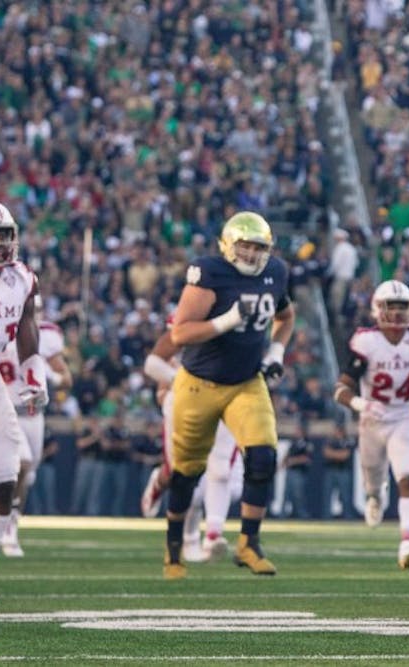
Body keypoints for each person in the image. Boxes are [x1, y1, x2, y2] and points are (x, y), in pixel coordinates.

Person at [162, 211, 295, 580]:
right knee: (187, 471)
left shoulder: (276, 273)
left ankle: (248, 544)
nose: (252, 254)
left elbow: (286, 317)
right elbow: (180, 335)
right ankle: (174, 549)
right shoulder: (209, 273)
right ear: (227, 245)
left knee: (263, 455)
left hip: (245, 381)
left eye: (259, 247)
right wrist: (227, 320)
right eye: (245, 246)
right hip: (198, 383)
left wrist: (276, 353)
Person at [334, 279, 409, 569]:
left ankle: (407, 542)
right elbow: (341, 389)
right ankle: (374, 495)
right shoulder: (365, 342)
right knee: (373, 480)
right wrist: (362, 404)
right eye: (390, 306)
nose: (396, 313)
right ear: (377, 309)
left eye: (402, 307)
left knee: (407, 478)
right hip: (371, 420)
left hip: (404, 418)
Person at [142, 319, 244, 562]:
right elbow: (157, 371)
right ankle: (160, 483)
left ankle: (211, 535)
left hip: (221, 399)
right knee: (182, 476)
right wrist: (179, 388)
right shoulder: (186, 322)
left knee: (223, 478)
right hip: (185, 403)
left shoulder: (235, 319)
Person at [0, 198, 45, 603]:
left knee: (6, 475)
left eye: (5, 236)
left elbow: (26, 324)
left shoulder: (22, 278)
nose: (0, 245)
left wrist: (33, 376)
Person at [0, 297, 72, 556]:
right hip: (3, 412)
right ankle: (4, 527)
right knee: (22, 463)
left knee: (27, 476)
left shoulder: (47, 335)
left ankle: (11, 523)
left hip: (33, 416)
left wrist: (49, 376)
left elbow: (67, 380)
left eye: (36, 310)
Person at [318, 415, 358, 520]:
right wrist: (337, 454)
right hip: (331, 470)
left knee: (345, 496)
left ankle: (347, 516)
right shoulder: (330, 440)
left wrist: (333, 454)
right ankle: (326, 517)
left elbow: (345, 456)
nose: (337, 431)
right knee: (327, 496)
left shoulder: (348, 441)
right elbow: (326, 453)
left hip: (342, 471)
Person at [281, 420, 314, 519]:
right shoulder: (294, 443)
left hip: (298, 472)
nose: (296, 432)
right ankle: (282, 514)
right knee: (286, 494)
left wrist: (293, 461)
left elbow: (306, 458)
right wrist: (284, 462)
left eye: (298, 430)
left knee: (298, 495)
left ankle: (301, 514)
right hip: (290, 471)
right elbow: (288, 454)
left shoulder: (306, 443)